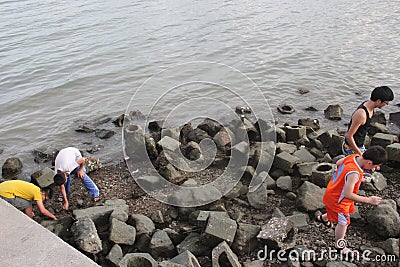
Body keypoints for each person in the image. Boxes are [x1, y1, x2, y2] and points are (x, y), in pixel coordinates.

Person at [316, 146, 387, 256]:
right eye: (375, 166)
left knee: (333, 210)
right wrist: (368, 200)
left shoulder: (354, 156)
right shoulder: (354, 173)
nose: (375, 169)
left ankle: (323, 218)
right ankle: (339, 246)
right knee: (343, 223)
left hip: (332, 191)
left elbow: (339, 163)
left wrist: (353, 178)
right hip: (340, 201)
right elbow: (348, 194)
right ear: (369, 163)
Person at [343, 86, 394, 155]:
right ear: (378, 101)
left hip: (359, 144)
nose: (386, 105)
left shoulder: (369, 107)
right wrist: (359, 152)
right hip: (350, 148)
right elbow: (348, 136)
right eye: (386, 103)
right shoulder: (361, 114)